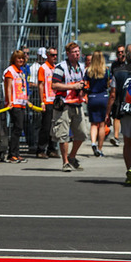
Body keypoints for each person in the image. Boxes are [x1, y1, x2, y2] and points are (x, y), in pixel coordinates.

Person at [107, 44, 131, 184]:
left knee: (127, 142)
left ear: (126, 56)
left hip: (124, 108)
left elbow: (113, 94)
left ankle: (130, 170)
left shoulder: (118, 72)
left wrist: (108, 112)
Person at [51, 42, 87, 171]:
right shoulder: (61, 67)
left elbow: (83, 83)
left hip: (77, 103)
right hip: (64, 105)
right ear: (68, 53)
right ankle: (65, 162)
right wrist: (72, 87)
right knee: (63, 134)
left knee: (82, 133)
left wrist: (84, 90)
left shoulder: (81, 67)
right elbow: (54, 85)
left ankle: (72, 156)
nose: (77, 54)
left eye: (78, 52)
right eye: (74, 52)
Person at [4, 50, 29, 163]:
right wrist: (9, 101)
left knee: (19, 128)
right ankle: (12, 154)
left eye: (22, 58)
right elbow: (8, 87)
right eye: (18, 58)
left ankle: (16, 153)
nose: (21, 60)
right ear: (14, 59)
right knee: (17, 128)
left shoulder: (21, 71)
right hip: (14, 103)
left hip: (21, 103)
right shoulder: (10, 71)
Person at [84, 50, 111, 158]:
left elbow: (86, 84)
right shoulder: (106, 71)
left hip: (92, 97)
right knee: (102, 125)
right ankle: (99, 149)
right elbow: (109, 84)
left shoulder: (89, 71)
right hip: (103, 97)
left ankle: (93, 143)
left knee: (93, 124)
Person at [36, 47, 58, 158]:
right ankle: (41, 149)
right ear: (48, 55)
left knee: (54, 126)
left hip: (55, 100)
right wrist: (42, 101)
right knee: (46, 126)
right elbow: (40, 85)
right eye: (52, 55)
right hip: (47, 100)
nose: (55, 57)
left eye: (56, 55)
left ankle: (52, 148)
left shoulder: (55, 68)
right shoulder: (43, 68)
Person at [109, 45, 126, 146]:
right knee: (116, 115)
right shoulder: (114, 65)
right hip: (117, 93)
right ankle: (116, 137)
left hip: (126, 93)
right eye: (118, 52)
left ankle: (127, 136)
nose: (120, 54)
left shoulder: (128, 64)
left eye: (122, 52)